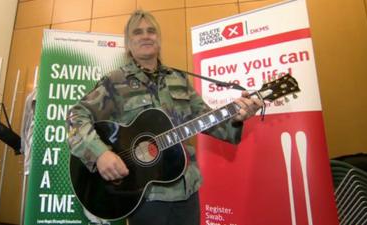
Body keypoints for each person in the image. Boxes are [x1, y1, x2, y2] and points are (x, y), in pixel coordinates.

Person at [66, 9, 263, 225]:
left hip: (187, 192)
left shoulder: (178, 79)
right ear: (128, 44)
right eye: (137, 32)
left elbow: (206, 119)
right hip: (145, 197)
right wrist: (100, 154)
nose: (146, 36)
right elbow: (76, 115)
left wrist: (236, 116)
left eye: (151, 31)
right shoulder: (115, 81)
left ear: (158, 39)